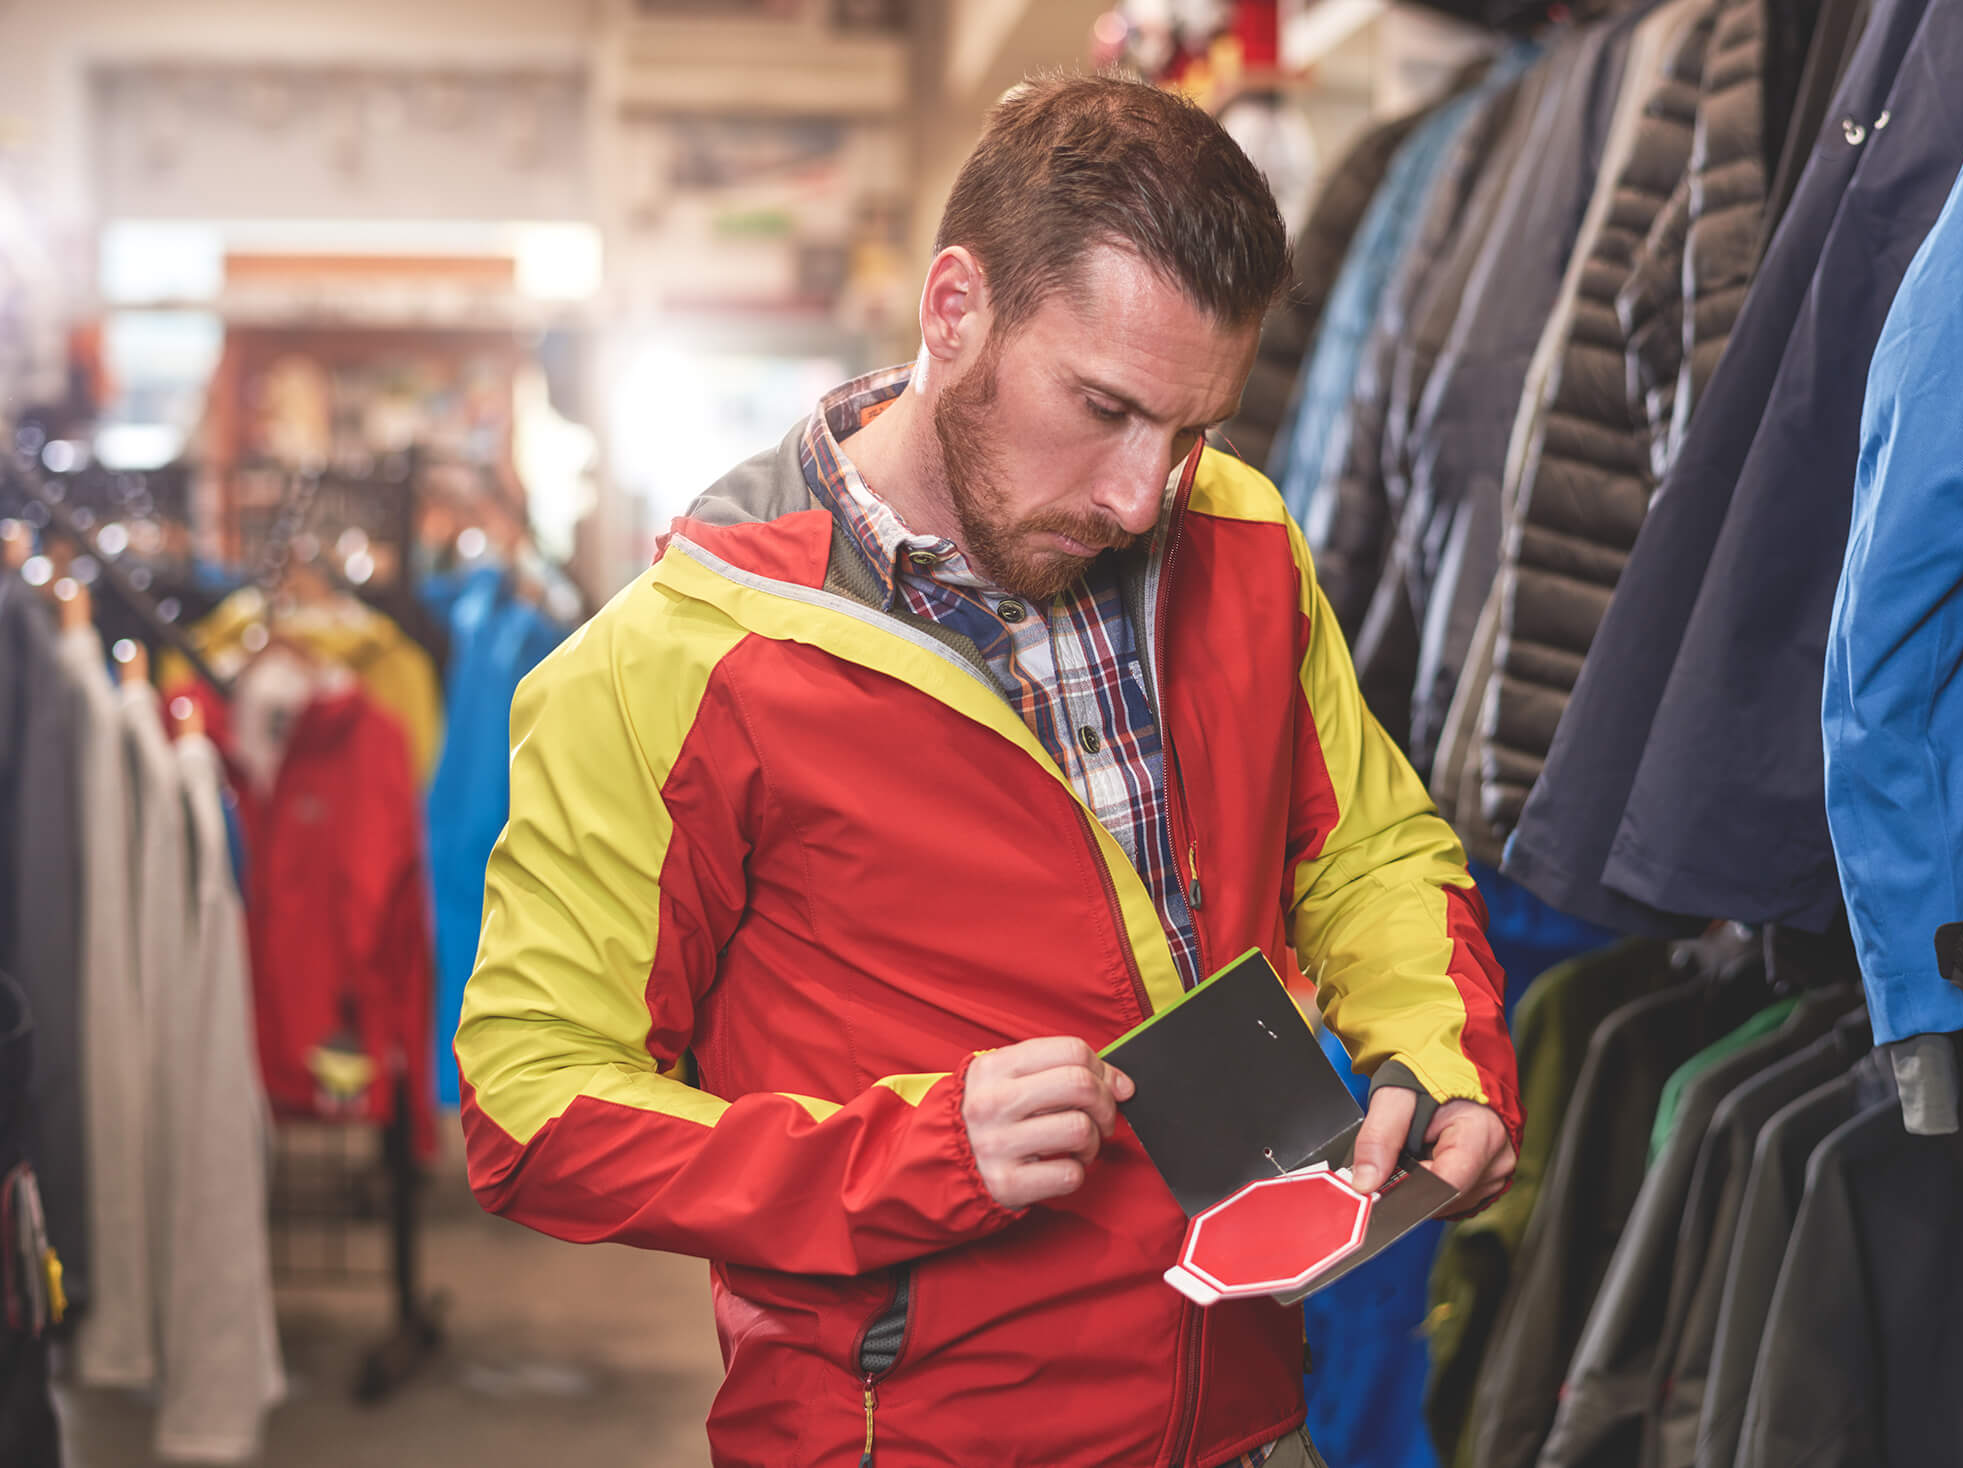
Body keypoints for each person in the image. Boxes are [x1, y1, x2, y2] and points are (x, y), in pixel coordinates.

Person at [455, 73, 1521, 1468]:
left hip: (1252, 1416)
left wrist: (1442, 1062)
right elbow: (530, 1100)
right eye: (1106, 407)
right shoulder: (676, 664)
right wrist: (903, 1158)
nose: (1143, 494)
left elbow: (1367, 850)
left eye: (1191, 429)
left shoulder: (1240, 536)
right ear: (955, 310)